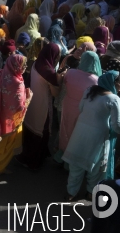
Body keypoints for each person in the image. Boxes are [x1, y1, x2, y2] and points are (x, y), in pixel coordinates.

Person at [63, 71, 120, 201]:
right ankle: (91, 192)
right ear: (112, 83)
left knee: (76, 165)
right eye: (118, 82)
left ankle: (71, 192)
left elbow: (81, 108)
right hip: (98, 136)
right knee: (95, 168)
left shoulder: (89, 91)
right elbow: (116, 125)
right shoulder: (114, 99)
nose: (119, 85)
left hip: (81, 132)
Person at [0, 54, 31, 182]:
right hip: (10, 122)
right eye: (23, 65)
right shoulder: (16, 82)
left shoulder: (1, 74)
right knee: (5, 149)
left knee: (1, 147)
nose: (25, 67)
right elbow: (19, 108)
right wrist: (28, 98)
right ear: (16, 66)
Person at [16, 43, 61, 170]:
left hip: (31, 102)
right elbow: (55, 93)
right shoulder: (49, 72)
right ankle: (34, 162)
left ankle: (25, 157)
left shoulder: (36, 63)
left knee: (30, 129)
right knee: (41, 131)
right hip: (42, 105)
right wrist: (60, 79)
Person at [58, 51, 101, 153]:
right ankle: (70, 158)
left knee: (64, 128)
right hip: (83, 108)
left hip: (67, 103)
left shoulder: (71, 72)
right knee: (77, 132)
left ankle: (61, 153)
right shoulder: (96, 80)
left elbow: (63, 83)